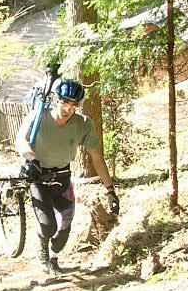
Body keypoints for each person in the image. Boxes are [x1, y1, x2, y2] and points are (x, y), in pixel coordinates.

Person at [15, 78, 119, 276]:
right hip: (38, 176)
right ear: (56, 99)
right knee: (48, 226)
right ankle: (42, 245)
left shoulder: (83, 124)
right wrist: (32, 159)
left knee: (65, 226)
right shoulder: (38, 116)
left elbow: (97, 158)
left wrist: (110, 190)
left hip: (62, 177)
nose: (68, 109)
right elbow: (21, 140)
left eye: (74, 105)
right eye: (64, 102)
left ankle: (53, 259)